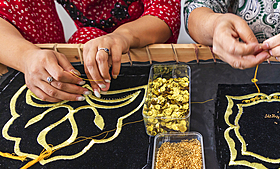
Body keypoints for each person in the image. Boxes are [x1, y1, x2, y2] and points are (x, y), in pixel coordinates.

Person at [0, 0, 180, 102]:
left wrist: (122, 37)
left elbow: (165, 10)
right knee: (85, 38)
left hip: (144, 46)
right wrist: (27, 56)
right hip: (86, 53)